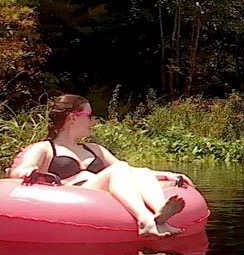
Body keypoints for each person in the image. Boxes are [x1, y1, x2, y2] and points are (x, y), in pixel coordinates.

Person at [11, 94, 187, 237]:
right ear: (72, 117)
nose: (92, 122)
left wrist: (168, 175)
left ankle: (160, 211)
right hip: (72, 196)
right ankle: (144, 219)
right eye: (89, 116)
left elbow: (131, 173)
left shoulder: (96, 149)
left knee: (140, 171)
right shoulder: (46, 148)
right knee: (119, 168)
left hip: (99, 195)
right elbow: (19, 171)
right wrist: (26, 170)